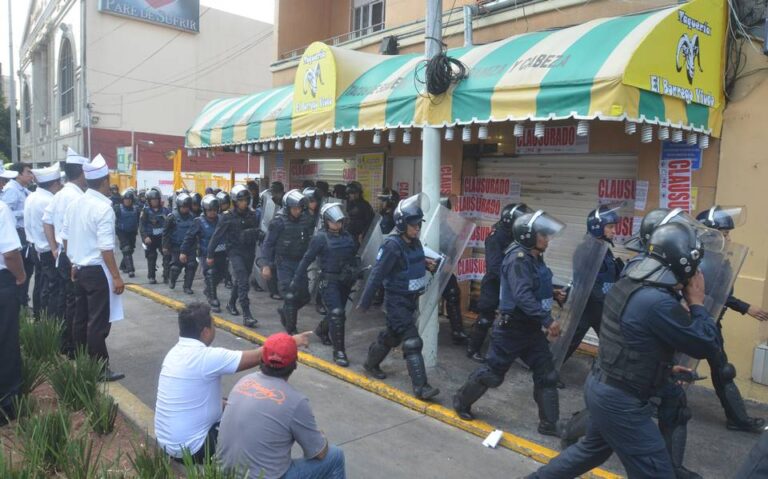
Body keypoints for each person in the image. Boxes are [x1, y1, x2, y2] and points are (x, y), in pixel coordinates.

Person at [529, 222, 722, 479]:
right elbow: (706, 343)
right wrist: (697, 303)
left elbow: (631, 340)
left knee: (590, 451)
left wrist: (660, 367)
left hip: (604, 384)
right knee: (657, 473)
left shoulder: (632, 281)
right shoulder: (657, 301)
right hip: (621, 400)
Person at [453, 210, 566, 436]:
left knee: (547, 375)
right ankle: (461, 401)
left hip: (531, 330)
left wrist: (554, 293)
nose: (547, 239)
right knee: (493, 374)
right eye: (543, 235)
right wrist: (547, 320)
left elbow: (532, 287)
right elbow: (522, 295)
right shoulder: (518, 259)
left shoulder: (535, 257)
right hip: (511, 329)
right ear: (528, 236)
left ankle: (549, 424)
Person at [155, 302, 311, 463]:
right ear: (205, 332)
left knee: (232, 404)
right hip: (194, 450)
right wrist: (292, 341)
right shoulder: (205, 357)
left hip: (168, 444)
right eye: (213, 325)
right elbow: (259, 355)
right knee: (254, 421)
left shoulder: (174, 353)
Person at [217, 332, 346, 479]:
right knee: (335, 456)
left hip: (223, 473)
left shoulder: (245, 380)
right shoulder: (296, 401)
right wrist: (320, 438)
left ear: (262, 360)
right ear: (294, 364)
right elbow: (319, 453)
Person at [357, 195, 440, 400]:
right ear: (403, 224)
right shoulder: (392, 245)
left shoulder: (414, 243)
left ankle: (371, 363)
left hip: (412, 300)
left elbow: (412, 264)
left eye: (419, 224)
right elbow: (377, 274)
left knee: (391, 336)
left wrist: (428, 265)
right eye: (413, 225)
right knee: (412, 342)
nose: (417, 228)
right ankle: (421, 387)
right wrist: (365, 302)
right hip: (396, 302)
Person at [696, 205, 767, 433]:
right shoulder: (698, 262)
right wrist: (745, 307)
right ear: (709, 235)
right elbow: (712, 294)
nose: (729, 237)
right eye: (725, 233)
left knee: (723, 371)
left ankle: (737, 419)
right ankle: (652, 404)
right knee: (672, 368)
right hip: (691, 323)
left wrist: (744, 307)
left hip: (711, 322)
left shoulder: (721, 260)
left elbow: (723, 294)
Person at [61, 155, 125, 382]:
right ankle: (99, 368)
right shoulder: (104, 208)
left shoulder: (75, 203)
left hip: (79, 269)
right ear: (106, 181)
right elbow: (106, 249)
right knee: (98, 322)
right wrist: (117, 277)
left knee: (81, 318)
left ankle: (82, 361)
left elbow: (65, 238)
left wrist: (73, 262)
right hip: (97, 271)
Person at [293, 203, 359, 366]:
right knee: (337, 313)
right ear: (326, 221)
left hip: (344, 281)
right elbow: (307, 259)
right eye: (334, 222)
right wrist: (296, 278)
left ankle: (322, 330)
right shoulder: (320, 238)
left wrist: (355, 272)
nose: (337, 224)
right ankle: (339, 352)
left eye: (340, 222)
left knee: (338, 313)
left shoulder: (347, 237)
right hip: (329, 281)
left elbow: (353, 257)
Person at [467, 203, 532, 362]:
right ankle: (472, 349)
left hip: (511, 283)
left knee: (516, 317)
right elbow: (494, 266)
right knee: (485, 317)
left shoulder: (516, 235)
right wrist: (511, 279)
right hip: (495, 283)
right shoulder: (496, 237)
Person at [562, 204, 624, 365]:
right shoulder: (587, 250)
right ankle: (549, 372)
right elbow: (589, 284)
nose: (614, 231)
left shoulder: (603, 248)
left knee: (611, 342)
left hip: (600, 306)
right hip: (587, 306)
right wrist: (610, 301)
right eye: (610, 227)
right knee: (570, 342)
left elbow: (608, 277)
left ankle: (605, 373)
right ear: (597, 227)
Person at [43, 148, 89, 355]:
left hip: (63, 253)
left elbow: (47, 221)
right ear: (81, 172)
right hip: (73, 255)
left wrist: (54, 248)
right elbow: (73, 232)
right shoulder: (76, 198)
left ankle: (64, 342)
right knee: (75, 304)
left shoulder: (61, 194)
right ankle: (71, 346)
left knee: (65, 300)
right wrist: (72, 259)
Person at [261, 189, 314, 335]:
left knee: (304, 296)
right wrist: (266, 265)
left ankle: (286, 311)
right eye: (294, 208)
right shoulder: (278, 222)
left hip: (300, 263)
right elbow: (268, 244)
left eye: (299, 208)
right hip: (284, 263)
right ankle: (291, 329)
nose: (297, 211)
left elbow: (309, 240)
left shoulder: (305, 219)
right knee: (290, 294)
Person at [208, 185, 262, 327]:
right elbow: (216, 236)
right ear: (235, 201)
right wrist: (210, 254)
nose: (244, 202)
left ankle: (231, 304)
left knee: (240, 281)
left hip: (249, 251)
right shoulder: (227, 217)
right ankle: (247, 314)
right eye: (241, 200)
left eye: (246, 200)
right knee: (244, 281)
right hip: (235, 252)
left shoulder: (252, 214)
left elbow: (256, 230)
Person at [0, 198, 27, 426]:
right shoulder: (1, 208)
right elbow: (10, 253)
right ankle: (7, 406)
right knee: (6, 342)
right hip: (1, 282)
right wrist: (20, 276)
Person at [24, 163, 63, 320]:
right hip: (48, 250)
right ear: (53, 184)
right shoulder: (49, 201)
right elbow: (55, 228)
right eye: (59, 183)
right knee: (53, 288)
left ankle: (39, 316)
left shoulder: (31, 196)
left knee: (40, 284)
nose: (60, 186)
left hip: (35, 247)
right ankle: (50, 321)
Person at [181, 195, 225, 312]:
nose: (212, 212)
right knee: (210, 273)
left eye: (214, 210)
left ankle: (209, 290)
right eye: (210, 210)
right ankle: (212, 298)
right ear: (204, 210)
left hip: (221, 253)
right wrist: (183, 252)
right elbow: (189, 237)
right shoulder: (198, 222)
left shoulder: (222, 219)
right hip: (205, 254)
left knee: (221, 275)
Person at [3, 162, 34, 309]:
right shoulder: (11, 191)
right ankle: (20, 301)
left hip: (22, 234)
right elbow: (7, 213)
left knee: (28, 269)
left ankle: (22, 300)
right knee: (21, 272)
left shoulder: (23, 190)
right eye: (28, 172)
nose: (31, 175)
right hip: (15, 234)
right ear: (19, 174)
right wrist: (25, 212)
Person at [163, 192, 198, 294]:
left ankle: (187, 286)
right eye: (183, 207)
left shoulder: (193, 217)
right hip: (176, 246)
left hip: (190, 247)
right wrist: (165, 246)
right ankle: (172, 279)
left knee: (191, 265)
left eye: (187, 207)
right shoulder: (172, 217)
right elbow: (166, 232)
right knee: (176, 267)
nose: (185, 209)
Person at [139, 188, 171, 285]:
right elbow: (142, 226)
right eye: (153, 200)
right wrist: (145, 237)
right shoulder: (145, 211)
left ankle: (166, 276)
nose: (155, 201)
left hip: (162, 238)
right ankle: (151, 276)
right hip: (150, 238)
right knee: (151, 257)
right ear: (149, 201)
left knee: (167, 255)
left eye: (156, 199)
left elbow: (170, 225)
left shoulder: (165, 211)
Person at [114, 188, 140, 279]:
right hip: (121, 231)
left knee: (130, 249)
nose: (127, 201)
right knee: (126, 249)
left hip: (132, 232)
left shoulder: (136, 209)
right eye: (126, 199)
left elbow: (138, 220)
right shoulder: (117, 208)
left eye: (129, 200)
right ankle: (131, 270)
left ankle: (123, 266)